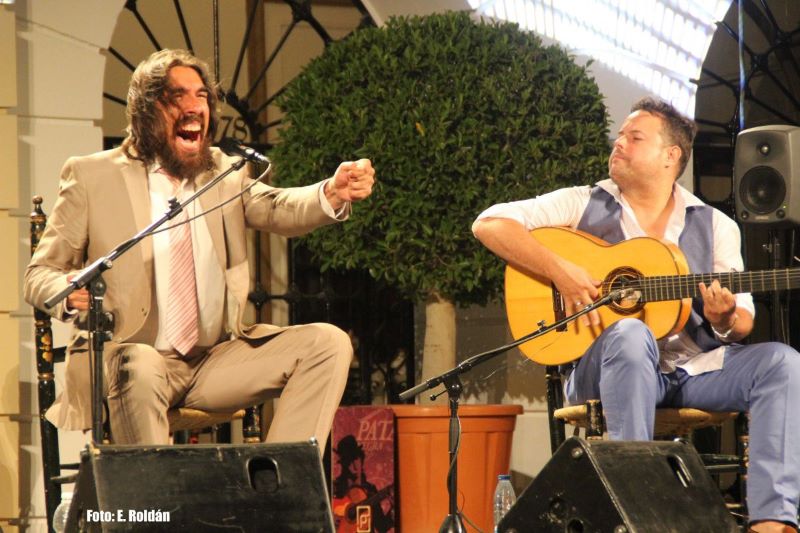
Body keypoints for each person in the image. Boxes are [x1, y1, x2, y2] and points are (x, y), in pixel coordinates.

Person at [472, 97, 800, 533]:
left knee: (782, 363)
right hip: (604, 370)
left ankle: (772, 523)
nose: (618, 143)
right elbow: (490, 224)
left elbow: (741, 321)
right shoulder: (583, 203)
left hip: (692, 372)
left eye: (634, 137)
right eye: (620, 135)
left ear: (671, 156)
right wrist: (561, 271)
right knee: (629, 332)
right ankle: (637, 515)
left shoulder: (716, 224)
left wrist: (722, 319)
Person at [24, 49, 374, 449]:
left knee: (327, 344)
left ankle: (275, 486)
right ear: (145, 110)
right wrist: (69, 289)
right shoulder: (92, 175)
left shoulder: (221, 172)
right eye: (177, 97)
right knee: (140, 365)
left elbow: (277, 207)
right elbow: (39, 275)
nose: (194, 108)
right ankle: (159, 506)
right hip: (129, 358)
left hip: (212, 362)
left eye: (201, 96)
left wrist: (330, 192)